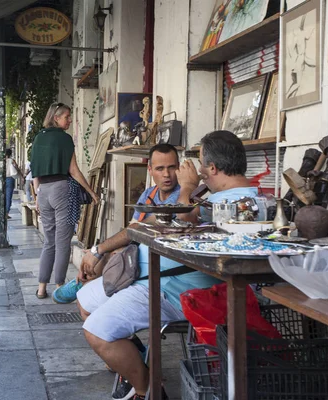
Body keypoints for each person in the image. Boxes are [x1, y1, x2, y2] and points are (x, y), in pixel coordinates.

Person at [74, 130, 258, 400]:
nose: (198, 173)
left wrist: (186, 189)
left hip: (172, 287)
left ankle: (145, 389)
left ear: (213, 167)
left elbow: (182, 229)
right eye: (161, 168)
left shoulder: (227, 204)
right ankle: (134, 367)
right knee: (85, 299)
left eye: (202, 165)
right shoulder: (216, 198)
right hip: (151, 277)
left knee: (97, 331)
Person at [31, 102, 100, 299]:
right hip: (62, 190)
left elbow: (35, 171)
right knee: (63, 243)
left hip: (43, 191)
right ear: (56, 118)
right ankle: (60, 287)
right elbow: (74, 171)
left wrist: (37, 197)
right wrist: (91, 192)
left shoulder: (38, 138)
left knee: (49, 242)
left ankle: (42, 288)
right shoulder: (65, 139)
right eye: (67, 117)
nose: (70, 120)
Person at [5, 149, 23, 219]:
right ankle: (6, 213)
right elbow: (17, 168)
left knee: (3, 197)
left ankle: (3, 212)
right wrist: (21, 176)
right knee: (8, 196)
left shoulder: (1, 161)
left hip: (2, 180)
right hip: (10, 179)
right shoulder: (12, 161)